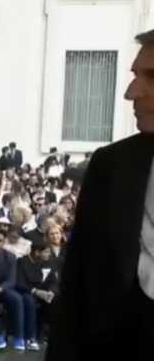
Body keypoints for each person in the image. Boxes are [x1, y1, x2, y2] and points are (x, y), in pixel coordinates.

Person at [47, 29, 154, 361]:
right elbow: (78, 283)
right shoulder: (111, 165)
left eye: (151, 77)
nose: (130, 92)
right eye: (135, 76)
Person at [17, 242, 58, 351]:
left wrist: (51, 292)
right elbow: (19, 283)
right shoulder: (22, 262)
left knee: (57, 300)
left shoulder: (48, 262)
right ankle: (30, 338)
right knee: (29, 301)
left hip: (43, 293)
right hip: (26, 292)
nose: (49, 255)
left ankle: (48, 335)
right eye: (46, 252)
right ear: (37, 252)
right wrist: (36, 291)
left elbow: (54, 281)